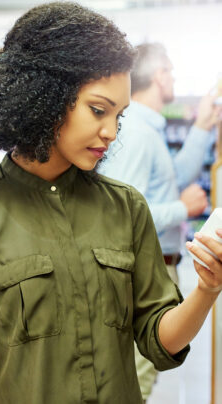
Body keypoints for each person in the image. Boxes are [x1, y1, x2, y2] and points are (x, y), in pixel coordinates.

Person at [0, 3, 222, 404]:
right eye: (98, 110)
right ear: (45, 96)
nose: (110, 131)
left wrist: (206, 289)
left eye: (120, 115)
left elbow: (158, 338)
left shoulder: (126, 208)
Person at [98, 42, 222, 402]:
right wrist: (182, 210)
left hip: (158, 265)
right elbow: (122, 213)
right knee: (138, 378)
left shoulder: (148, 127)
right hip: (142, 271)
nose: (175, 78)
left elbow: (172, 179)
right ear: (158, 75)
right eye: (171, 70)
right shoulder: (136, 132)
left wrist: (200, 127)